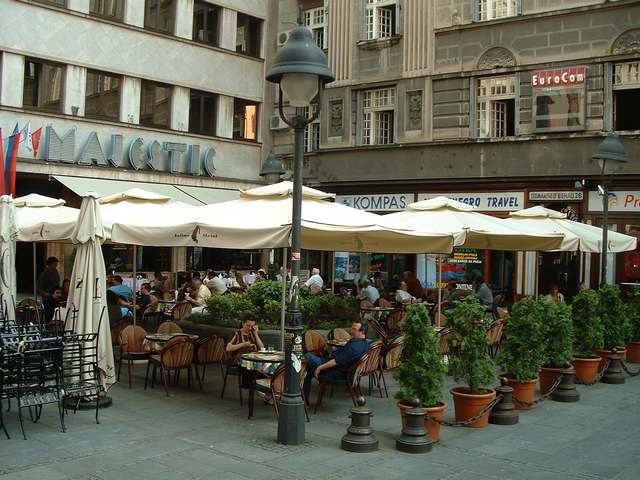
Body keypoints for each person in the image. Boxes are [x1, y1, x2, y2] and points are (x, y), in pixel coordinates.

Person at [303, 322, 370, 402]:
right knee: (309, 368)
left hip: (336, 372)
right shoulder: (365, 344)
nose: (351, 331)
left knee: (307, 357)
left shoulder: (353, 348)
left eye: (354, 329)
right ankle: (304, 398)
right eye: (351, 328)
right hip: (343, 370)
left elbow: (336, 362)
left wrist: (319, 368)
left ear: (362, 332)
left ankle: (301, 396)